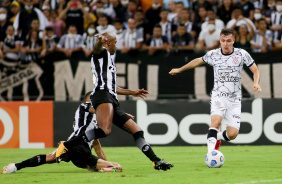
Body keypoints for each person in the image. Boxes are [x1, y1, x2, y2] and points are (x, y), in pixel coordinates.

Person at [56, 32, 174, 171]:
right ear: (109, 43)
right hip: (102, 95)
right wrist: (100, 42)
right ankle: (66, 146)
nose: (116, 46)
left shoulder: (109, 61)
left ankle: (156, 161)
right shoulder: (102, 54)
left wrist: (133, 92)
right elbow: (96, 50)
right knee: (104, 130)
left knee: (137, 131)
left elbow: (113, 87)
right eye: (115, 42)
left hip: (111, 98)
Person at [169, 28, 261, 153]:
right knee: (216, 122)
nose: (226, 44)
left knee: (232, 134)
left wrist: (255, 82)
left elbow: (255, 70)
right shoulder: (213, 54)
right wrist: (180, 69)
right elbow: (197, 61)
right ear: (220, 40)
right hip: (219, 96)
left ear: (234, 40)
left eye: (229, 41)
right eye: (223, 41)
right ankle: (211, 154)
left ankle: (216, 137)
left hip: (234, 99)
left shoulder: (242, 54)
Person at [2, 92, 122, 174]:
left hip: (70, 146)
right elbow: (99, 109)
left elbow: (98, 149)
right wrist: (116, 113)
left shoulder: (92, 124)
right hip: (79, 147)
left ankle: (15, 166)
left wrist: (104, 162)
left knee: (49, 158)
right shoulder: (85, 106)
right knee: (116, 167)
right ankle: (102, 169)